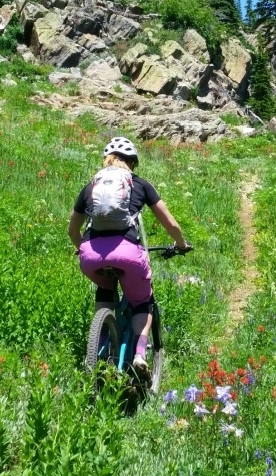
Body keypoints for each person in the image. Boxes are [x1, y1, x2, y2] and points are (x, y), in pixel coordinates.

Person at [68, 136, 191, 380]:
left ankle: (99, 352)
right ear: (132, 163)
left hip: (91, 255)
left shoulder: (90, 187)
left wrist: (80, 247)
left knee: (105, 291)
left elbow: (72, 231)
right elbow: (170, 222)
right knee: (142, 301)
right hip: (128, 254)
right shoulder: (140, 184)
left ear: (106, 161)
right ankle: (139, 355)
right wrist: (180, 244)